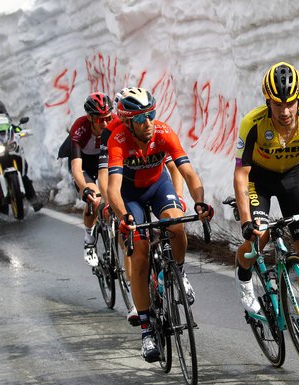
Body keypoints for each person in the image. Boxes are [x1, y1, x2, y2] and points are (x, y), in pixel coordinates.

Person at [106, 87, 213, 362]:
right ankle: (146, 332)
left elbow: (187, 171)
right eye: (141, 118)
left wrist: (199, 202)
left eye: (151, 114)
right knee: (139, 256)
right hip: (130, 197)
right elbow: (113, 189)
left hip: (157, 185)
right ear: (128, 122)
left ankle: (176, 271)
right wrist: (123, 216)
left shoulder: (163, 132)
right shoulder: (118, 140)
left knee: (176, 225)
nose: (149, 122)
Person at [233, 61, 299, 348]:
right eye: (278, 104)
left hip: (292, 176)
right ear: (268, 101)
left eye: (291, 103)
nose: (285, 111)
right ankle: (243, 277)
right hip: (258, 181)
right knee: (259, 237)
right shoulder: (253, 124)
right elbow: (241, 173)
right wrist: (245, 220)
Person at [68, 92, 117, 267]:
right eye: (99, 119)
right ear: (89, 117)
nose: (105, 123)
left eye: (108, 118)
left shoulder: (115, 123)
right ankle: (89, 238)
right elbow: (76, 167)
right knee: (94, 200)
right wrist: (84, 188)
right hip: (85, 166)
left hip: (107, 162)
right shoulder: (80, 128)